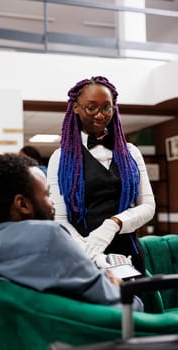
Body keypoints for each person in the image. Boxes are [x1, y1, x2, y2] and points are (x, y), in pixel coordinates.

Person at [0, 153, 143, 311]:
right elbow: (126, 309)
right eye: (47, 195)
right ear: (23, 205)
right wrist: (118, 287)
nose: (53, 203)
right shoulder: (50, 238)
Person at [47, 76, 155, 274]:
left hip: (128, 254)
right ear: (76, 108)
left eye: (107, 107)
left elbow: (148, 206)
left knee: (132, 305)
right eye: (91, 107)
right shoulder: (60, 158)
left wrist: (113, 225)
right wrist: (90, 250)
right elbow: (59, 219)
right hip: (81, 255)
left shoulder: (131, 152)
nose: (100, 114)